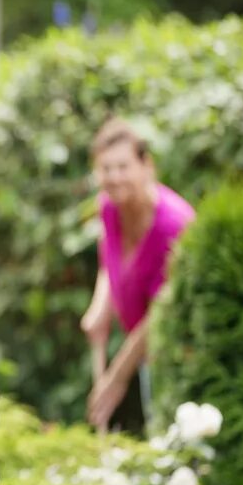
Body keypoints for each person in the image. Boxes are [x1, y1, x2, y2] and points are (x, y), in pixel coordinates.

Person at [82, 117, 195, 435]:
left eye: (123, 166)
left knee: (177, 436)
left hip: (180, 350)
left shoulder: (174, 226)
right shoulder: (109, 208)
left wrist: (116, 379)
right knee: (160, 436)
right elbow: (110, 259)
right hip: (148, 352)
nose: (114, 177)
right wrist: (100, 307)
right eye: (105, 168)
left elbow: (162, 311)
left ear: (147, 166)